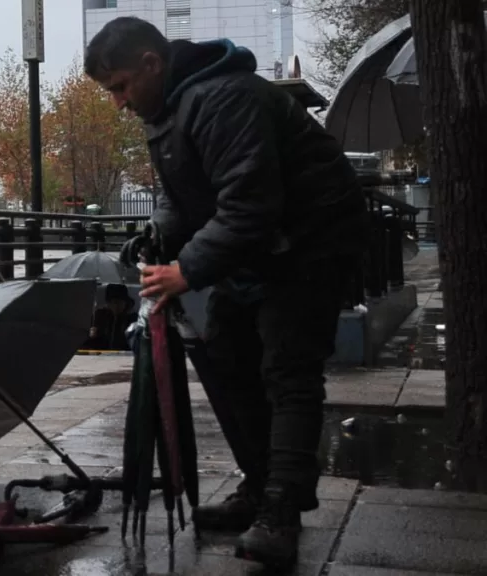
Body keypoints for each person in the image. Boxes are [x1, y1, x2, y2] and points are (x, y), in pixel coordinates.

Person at [85, 17, 369, 568]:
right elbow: (182, 198)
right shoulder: (167, 110)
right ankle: (261, 488)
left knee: (288, 368)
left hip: (311, 240)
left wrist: (185, 271)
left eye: (120, 86)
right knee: (225, 352)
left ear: (152, 64)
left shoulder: (222, 98)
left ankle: (280, 514)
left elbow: (249, 205)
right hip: (260, 245)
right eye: (110, 92)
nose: (118, 102)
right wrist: (160, 238)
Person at [85, 283, 136, 351]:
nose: (116, 306)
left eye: (120, 302)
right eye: (113, 302)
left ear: (126, 302)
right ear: (108, 303)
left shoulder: (132, 318)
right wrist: (89, 336)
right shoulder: (99, 317)